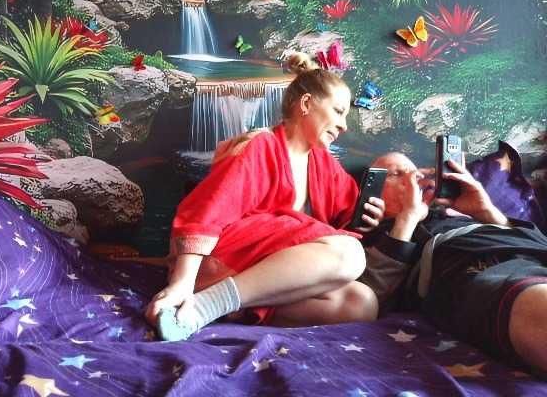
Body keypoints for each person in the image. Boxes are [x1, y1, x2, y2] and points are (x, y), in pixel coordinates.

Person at [145, 67, 385, 341]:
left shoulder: (323, 163)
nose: (344, 125)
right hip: (221, 260)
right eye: (339, 111)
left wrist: (369, 215)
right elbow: (206, 211)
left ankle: (229, 308)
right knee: (350, 255)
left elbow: (345, 217)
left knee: (362, 304)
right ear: (306, 104)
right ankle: (204, 305)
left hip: (261, 277)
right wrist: (181, 283)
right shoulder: (259, 146)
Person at [360, 152, 547, 376]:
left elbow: (531, 241)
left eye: (415, 172)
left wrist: (487, 212)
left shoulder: (458, 211)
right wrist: (408, 218)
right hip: (471, 266)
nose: (413, 177)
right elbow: (372, 294)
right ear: (373, 193)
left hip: (529, 248)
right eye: (396, 173)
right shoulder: (375, 233)